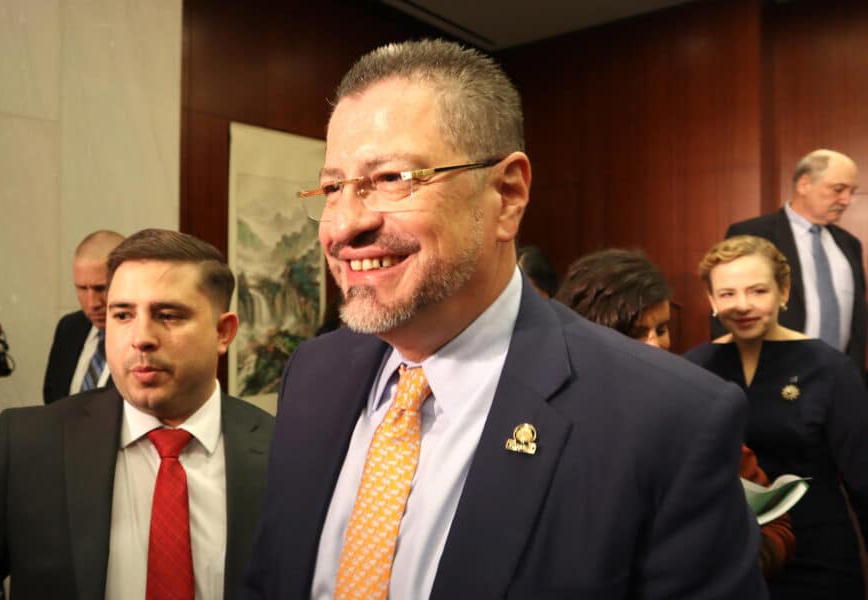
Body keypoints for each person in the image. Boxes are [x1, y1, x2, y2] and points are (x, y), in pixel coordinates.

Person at [244, 39, 766, 599]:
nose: (342, 225)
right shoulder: (313, 376)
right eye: (332, 187)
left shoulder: (666, 419)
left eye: (392, 178)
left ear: (507, 194)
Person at [0, 229, 274, 600]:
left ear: (223, 332)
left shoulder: (285, 454)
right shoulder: (29, 448)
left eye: (168, 315)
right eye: (123, 314)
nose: (141, 337)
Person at [556, 248, 796, 579]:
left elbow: (777, 524)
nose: (655, 345)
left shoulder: (693, 408)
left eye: (662, 328)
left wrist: (741, 558)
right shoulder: (552, 414)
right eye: (635, 333)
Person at [686, 235, 868, 599]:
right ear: (710, 299)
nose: (742, 305)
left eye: (757, 291)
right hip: (725, 555)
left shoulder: (830, 369)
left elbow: (863, 481)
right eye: (727, 294)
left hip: (819, 557)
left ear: (783, 291)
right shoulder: (691, 369)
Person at [715, 149, 865, 370]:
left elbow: (858, 318)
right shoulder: (753, 234)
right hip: (771, 373)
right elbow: (727, 304)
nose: (846, 200)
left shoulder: (849, 244)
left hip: (841, 377)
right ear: (804, 184)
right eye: (838, 189)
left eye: (851, 191)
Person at [43, 230, 125, 404]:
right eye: (81, 288)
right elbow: (52, 401)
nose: (92, 303)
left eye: (100, 288)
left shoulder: (144, 334)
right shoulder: (69, 327)